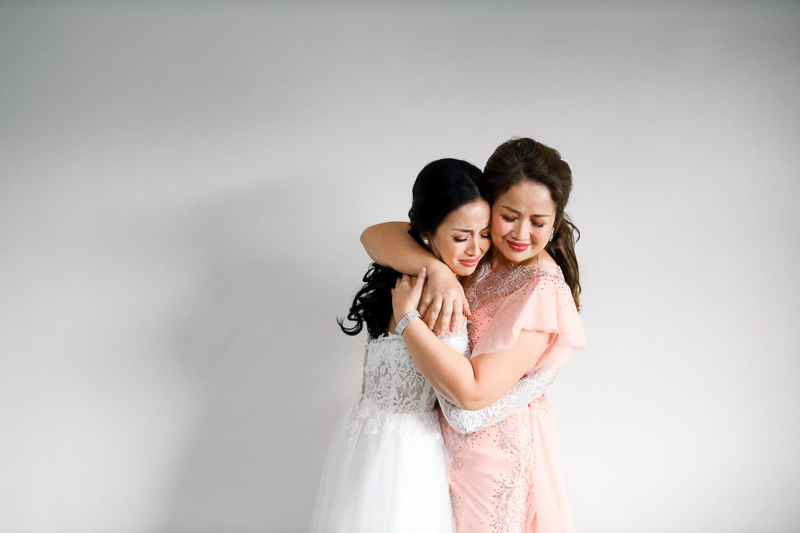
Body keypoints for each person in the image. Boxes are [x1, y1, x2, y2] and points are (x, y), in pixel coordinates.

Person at [362, 137, 586, 533]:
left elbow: (473, 394)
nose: (521, 233)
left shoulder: (542, 287)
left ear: (555, 221)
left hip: (490, 462)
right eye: (509, 216)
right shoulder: (478, 249)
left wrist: (408, 321)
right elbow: (374, 235)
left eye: (538, 223)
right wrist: (439, 271)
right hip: (434, 448)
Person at [309, 158, 494, 533]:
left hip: (366, 433)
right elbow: (463, 400)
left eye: (485, 233)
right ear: (426, 233)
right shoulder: (436, 297)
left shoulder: (405, 273)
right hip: (407, 452)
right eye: (462, 237)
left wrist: (440, 269)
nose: (477, 248)